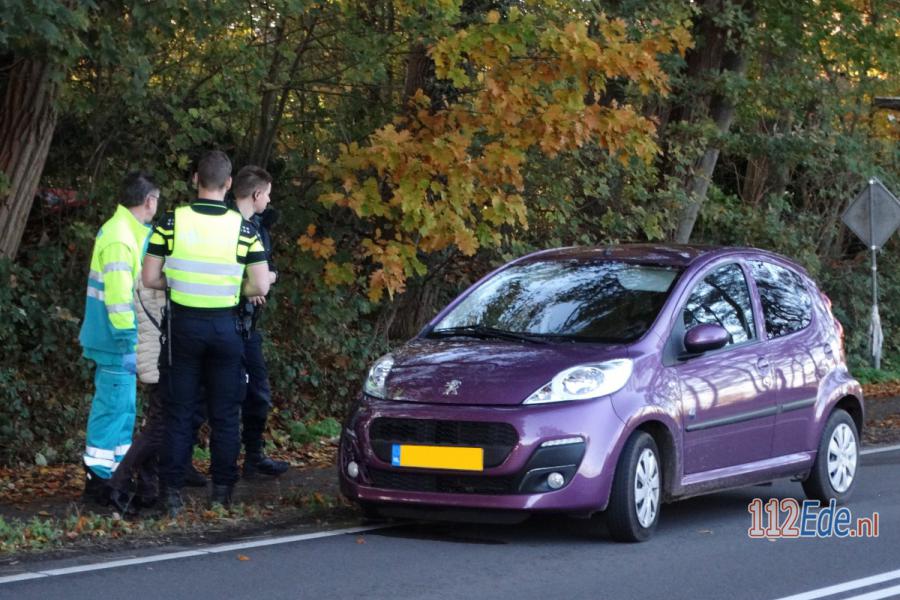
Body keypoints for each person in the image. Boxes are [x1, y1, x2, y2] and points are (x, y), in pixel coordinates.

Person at [142, 150, 270, 515]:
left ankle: (170, 495)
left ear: (196, 179)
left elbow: (149, 277)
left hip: (182, 327)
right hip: (226, 328)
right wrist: (233, 289)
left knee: (179, 412)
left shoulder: (170, 223)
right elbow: (261, 285)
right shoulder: (244, 230)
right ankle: (222, 494)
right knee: (225, 414)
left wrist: (178, 283)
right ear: (228, 184)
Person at [78, 172, 159, 501]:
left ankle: (115, 476)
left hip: (117, 339)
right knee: (113, 408)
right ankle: (99, 480)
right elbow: (119, 298)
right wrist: (128, 341)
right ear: (149, 201)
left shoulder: (126, 232)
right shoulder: (120, 238)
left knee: (122, 409)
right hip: (116, 340)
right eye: (157, 200)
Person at [231, 166, 288, 477]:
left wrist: (265, 280)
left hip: (249, 326)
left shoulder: (260, 228)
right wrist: (250, 285)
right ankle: (194, 465)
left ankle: (253, 457)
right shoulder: (225, 225)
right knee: (214, 395)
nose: (269, 200)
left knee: (258, 393)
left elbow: (268, 267)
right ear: (256, 194)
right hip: (225, 322)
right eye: (267, 194)